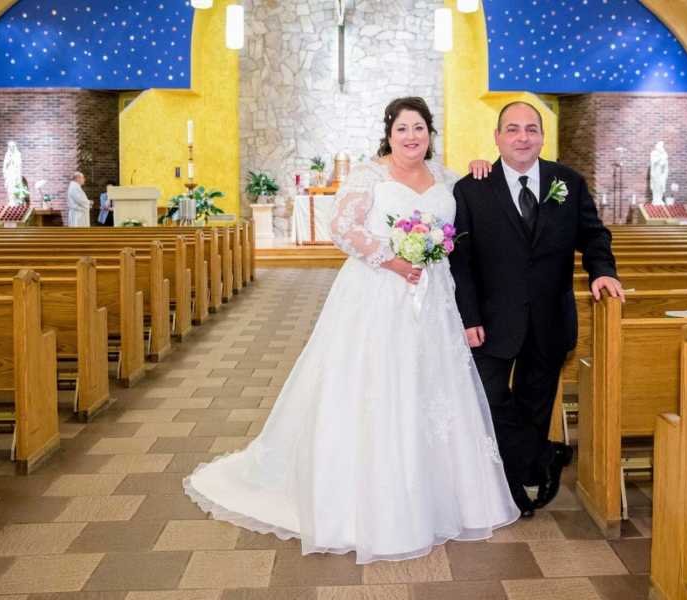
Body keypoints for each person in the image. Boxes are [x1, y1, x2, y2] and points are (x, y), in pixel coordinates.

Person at [184, 97, 519, 564]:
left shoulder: (446, 178)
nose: (411, 137)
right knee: (376, 386)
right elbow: (342, 228)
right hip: (379, 294)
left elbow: (467, 219)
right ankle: (370, 501)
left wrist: (483, 164)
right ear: (389, 133)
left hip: (433, 298)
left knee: (433, 389)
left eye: (419, 128)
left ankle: (440, 495)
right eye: (402, 128)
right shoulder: (369, 176)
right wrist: (394, 260)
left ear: (430, 132)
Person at [450, 101, 624, 518]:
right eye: (512, 129)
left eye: (531, 129)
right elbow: (461, 261)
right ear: (497, 137)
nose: (522, 137)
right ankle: (543, 455)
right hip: (492, 320)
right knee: (487, 397)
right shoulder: (471, 188)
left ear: (543, 136)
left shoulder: (569, 182)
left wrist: (602, 270)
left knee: (534, 404)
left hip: (549, 317)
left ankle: (515, 486)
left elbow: (594, 234)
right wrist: (468, 316)